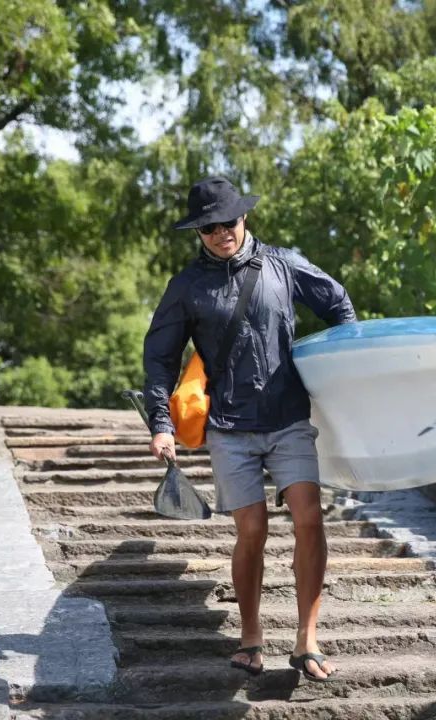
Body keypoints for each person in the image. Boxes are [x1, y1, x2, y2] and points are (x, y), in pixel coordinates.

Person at [142, 176, 356, 681]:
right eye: (209, 228)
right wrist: (161, 424)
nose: (222, 233)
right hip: (229, 427)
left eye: (229, 222)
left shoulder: (283, 265)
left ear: (244, 217)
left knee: (309, 516)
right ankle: (251, 635)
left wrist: (348, 371)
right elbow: (160, 359)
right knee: (252, 530)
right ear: (199, 233)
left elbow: (338, 305)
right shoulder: (187, 287)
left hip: (288, 418)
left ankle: (307, 638)